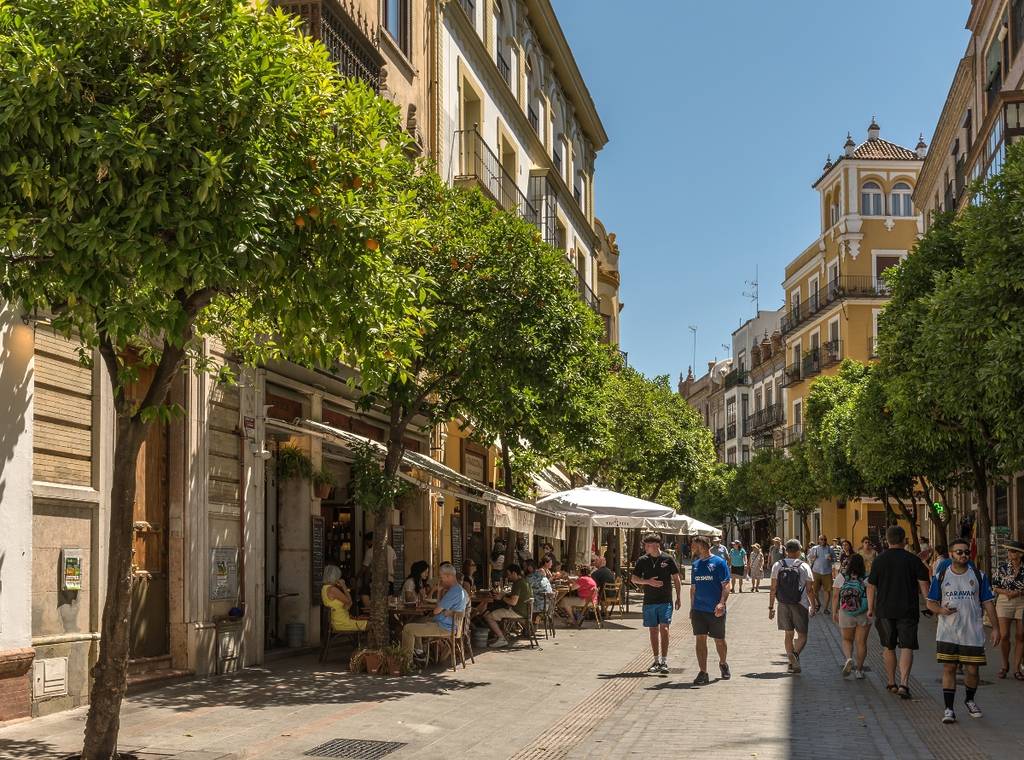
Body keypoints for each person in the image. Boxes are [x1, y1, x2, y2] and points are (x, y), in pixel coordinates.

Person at [926, 538, 1000, 723]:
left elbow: (988, 603)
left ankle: (969, 699)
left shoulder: (978, 575)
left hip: (972, 632)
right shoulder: (941, 576)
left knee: (972, 671)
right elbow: (930, 602)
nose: (964, 555)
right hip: (948, 631)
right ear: (951, 554)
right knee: (949, 667)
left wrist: (996, 628)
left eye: (967, 552)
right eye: (959, 552)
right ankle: (949, 709)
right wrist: (941, 610)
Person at [867, 525, 930, 699]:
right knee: (907, 646)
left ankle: (890, 681)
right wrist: (930, 604)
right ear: (904, 540)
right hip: (908, 610)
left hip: (885, 610)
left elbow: (871, 586)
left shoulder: (879, 560)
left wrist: (871, 608)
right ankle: (904, 683)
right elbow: (924, 584)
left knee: (888, 646)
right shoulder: (913, 560)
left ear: (887, 540)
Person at [631, 534, 682, 675]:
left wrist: (678, 597)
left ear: (656, 545)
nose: (645, 547)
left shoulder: (668, 558)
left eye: (647, 545)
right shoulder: (642, 560)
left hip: (665, 600)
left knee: (664, 629)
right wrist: (648, 582)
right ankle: (656, 660)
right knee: (653, 630)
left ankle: (664, 661)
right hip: (649, 601)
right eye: (645, 545)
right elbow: (634, 578)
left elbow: (676, 578)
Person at [401, 563, 468, 660]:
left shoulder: (453, 592)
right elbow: (439, 608)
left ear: (449, 576)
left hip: (444, 627)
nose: (440, 580)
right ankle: (420, 652)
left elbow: (436, 611)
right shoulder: (458, 590)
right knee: (417, 621)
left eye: (442, 577)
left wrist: (443, 609)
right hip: (448, 625)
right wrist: (440, 592)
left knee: (408, 628)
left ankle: (406, 663)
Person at [689, 535, 731, 684]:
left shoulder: (719, 563)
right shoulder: (695, 565)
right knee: (700, 639)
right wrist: (692, 607)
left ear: (701, 545)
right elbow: (693, 588)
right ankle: (703, 672)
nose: (692, 547)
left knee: (719, 640)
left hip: (715, 609)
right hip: (699, 610)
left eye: (694, 545)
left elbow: (726, 585)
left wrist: (722, 603)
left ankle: (723, 663)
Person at [769, 538, 815, 673]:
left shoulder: (778, 565)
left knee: (788, 634)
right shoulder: (804, 566)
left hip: (783, 603)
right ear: (798, 551)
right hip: (800, 604)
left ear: (787, 551)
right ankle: (794, 655)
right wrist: (813, 605)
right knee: (802, 635)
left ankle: (792, 663)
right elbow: (809, 590)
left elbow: (773, 588)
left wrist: (771, 607)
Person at [833, 553, 871, 678]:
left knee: (847, 639)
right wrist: (871, 610)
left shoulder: (842, 577)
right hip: (863, 612)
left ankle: (849, 658)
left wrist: (834, 612)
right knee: (861, 643)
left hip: (846, 612)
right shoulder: (867, 578)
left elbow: (835, 596)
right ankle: (859, 671)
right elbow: (873, 596)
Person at [992, 539, 1024, 680]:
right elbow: (994, 586)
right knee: (1004, 635)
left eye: (1013, 551)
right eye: (1009, 551)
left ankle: (1017, 669)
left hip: (1022, 601)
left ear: (1020, 554)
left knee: (1021, 635)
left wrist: (1018, 593)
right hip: (1005, 601)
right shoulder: (1002, 568)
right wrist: (1007, 593)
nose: (1010, 553)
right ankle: (1005, 665)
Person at [482, 563, 531, 648]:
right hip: (525, 610)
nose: (508, 577)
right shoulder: (525, 581)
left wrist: (502, 597)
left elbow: (513, 602)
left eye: (509, 574)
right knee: (497, 611)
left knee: (488, 616)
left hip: (517, 611)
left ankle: (501, 639)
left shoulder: (517, 583)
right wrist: (504, 595)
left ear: (514, 573)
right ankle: (501, 635)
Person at [321, 565, 368, 632]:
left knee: (365, 620)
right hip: (342, 623)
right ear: (335, 577)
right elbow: (350, 601)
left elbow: (345, 605)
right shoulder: (332, 589)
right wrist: (343, 585)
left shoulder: (324, 588)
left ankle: (359, 642)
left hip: (336, 622)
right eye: (338, 577)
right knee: (371, 624)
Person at [360, 531, 397, 597]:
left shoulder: (370, 551)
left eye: (367, 541)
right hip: (390, 580)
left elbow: (364, 568)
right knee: (389, 601)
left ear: (371, 540)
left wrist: (357, 577)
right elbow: (395, 564)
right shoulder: (390, 549)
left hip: (376, 582)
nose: (366, 544)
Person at [807, 534, 836, 614]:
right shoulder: (814, 548)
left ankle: (826, 608)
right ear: (818, 540)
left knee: (827, 591)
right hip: (816, 572)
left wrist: (831, 559)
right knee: (814, 591)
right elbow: (808, 557)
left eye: (824, 539)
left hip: (827, 572)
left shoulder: (830, 549)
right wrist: (813, 558)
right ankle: (818, 603)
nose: (823, 541)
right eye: (821, 539)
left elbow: (835, 559)